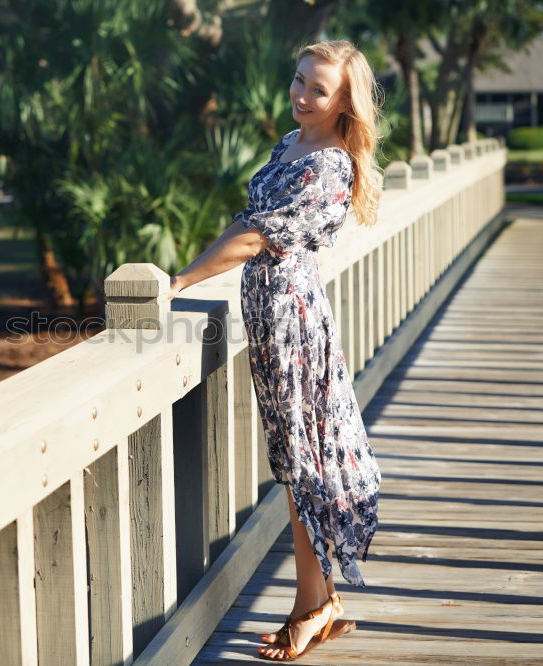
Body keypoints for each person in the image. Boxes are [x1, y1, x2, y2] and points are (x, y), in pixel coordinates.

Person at [167, 39, 384, 661]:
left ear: (345, 100)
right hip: (268, 319)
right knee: (295, 464)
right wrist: (187, 269)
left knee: (300, 465)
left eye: (319, 88)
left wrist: (179, 282)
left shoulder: (330, 166)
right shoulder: (290, 147)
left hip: (292, 322)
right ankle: (320, 602)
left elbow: (258, 236)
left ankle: (309, 606)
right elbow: (245, 219)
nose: (302, 95)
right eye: (298, 81)